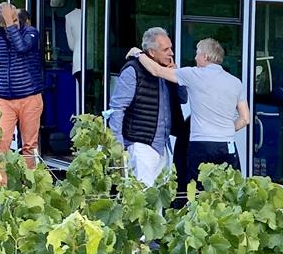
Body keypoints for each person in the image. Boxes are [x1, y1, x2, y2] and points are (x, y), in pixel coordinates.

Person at [126, 36, 250, 185]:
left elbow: (156, 70)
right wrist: (227, 129)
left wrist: (138, 53)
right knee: (228, 190)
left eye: (197, 53)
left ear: (205, 56)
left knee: (197, 194)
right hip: (227, 145)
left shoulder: (193, 74)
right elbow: (245, 119)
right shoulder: (235, 82)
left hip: (201, 146)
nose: (195, 57)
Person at [107, 26, 186, 186]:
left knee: (159, 200)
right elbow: (117, 108)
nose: (171, 53)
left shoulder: (167, 70)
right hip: (140, 145)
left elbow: (183, 99)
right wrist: (118, 144)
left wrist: (177, 76)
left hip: (162, 145)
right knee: (143, 199)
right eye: (166, 49)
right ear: (151, 52)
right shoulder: (133, 70)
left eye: (171, 48)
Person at [0, 0, 43, 171]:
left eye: (15, 19)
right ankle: (1, 186)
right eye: (9, 21)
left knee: (29, 146)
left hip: (29, 97)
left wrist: (11, 24)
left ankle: (30, 184)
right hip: (4, 100)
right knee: (1, 144)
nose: (14, 23)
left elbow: (21, 48)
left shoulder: (30, 33)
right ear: (0, 23)